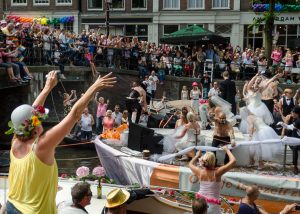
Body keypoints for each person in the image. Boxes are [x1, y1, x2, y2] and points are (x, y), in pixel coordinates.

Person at [5, 71, 116, 213]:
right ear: (34, 126)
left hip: (11, 205)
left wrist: (47, 88)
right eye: (37, 119)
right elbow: (75, 114)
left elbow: (30, 113)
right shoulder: (41, 146)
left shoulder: (15, 140)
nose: (40, 119)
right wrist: (94, 87)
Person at [189, 148, 236, 214]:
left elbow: (190, 164)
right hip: (213, 206)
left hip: (200, 203)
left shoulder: (199, 172)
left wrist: (196, 156)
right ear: (214, 161)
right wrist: (227, 150)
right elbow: (233, 161)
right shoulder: (217, 172)